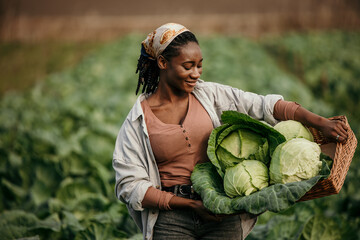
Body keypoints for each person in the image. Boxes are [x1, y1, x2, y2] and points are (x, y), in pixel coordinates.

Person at [112, 23, 348, 240]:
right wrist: (188, 205)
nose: (196, 73)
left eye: (200, 65)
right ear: (163, 63)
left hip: (223, 210)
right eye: (188, 66)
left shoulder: (210, 94)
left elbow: (264, 105)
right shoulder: (137, 121)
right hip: (171, 217)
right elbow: (129, 185)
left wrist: (319, 122)